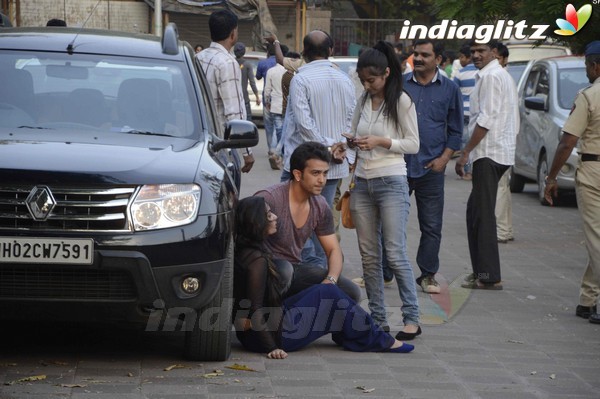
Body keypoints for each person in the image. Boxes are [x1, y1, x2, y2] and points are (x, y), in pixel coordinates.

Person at [233, 196, 414, 358]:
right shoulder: (257, 260)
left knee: (324, 290)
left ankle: (354, 335)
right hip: (269, 336)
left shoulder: (247, 251)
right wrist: (272, 348)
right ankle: (380, 339)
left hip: (262, 329)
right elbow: (255, 309)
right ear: (255, 221)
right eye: (268, 214)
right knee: (329, 293)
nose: (274, 217)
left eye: (271, 212)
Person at [346, 41, 421, 339]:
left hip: (391, 181)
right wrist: (348, 143)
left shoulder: (401, 101)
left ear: (387, 73)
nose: (367, 84)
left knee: (395, 253)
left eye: (372, 80)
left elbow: (414, 144)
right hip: (362, 183)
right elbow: (354, 133)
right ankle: (378, 318)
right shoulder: (363, 100)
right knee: (368, 256)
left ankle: (412, 318)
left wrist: (381, 142)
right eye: (363, 79)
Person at [279, 30, 356, 267]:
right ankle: (322, 275)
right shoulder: (345, 79)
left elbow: (304, 124)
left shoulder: (300, 79)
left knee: (298, 221)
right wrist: (339, 148)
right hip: (334, 164)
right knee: (321, 223)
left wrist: (327, 148)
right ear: (331, 51)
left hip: (305, 165)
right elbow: (351, 120)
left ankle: (312, 274)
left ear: (304, 52)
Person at [254, 142, 361, 304]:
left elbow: (333, 250)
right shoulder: (269, 199)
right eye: (316, 173)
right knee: (284, 270)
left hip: (295, 269)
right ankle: (267, 318)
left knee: (351, 292)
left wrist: (330, 281)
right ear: (298, 174)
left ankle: (298, 322)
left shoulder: (320, 205)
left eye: (325, 173)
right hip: (264, 271)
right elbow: (243, 248)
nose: (322, 180)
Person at [455, 40, 519, 290]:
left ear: (494, 53)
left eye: (481, 51)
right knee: (475, 212)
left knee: (482, 216)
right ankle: (482, 271)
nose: (476, 55)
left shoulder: (492, 77)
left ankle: (488, 276)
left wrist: (466, 152)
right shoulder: (496, 75)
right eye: (473, 52)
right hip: (496, 152)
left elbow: (487, 118)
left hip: (489, 153)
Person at [544, 41, 600, 324]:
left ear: (595, 65)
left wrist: (552, 177)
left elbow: (567, 142)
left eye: (587, 66)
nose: (586, 71)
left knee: (596, 238)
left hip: (593, 171)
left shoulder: (589, 96)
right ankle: (587, 300)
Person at [403, 39, 463, 294]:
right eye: (416, 54)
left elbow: (456, 129)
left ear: (438, 60)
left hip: (432, 168)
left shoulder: (450, 88)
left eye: (424, 55)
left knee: (431, 225)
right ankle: (383, 272)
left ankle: (427, 275)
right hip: (399, 166)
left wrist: (444, 158)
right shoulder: (400, 85)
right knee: (390, 222)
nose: (418, 58)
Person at [196, 10, 254, 173]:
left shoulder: (198, 57)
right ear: (233, 33)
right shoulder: (227, 63)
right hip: (222, 146)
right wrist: (247, 152)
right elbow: (234, 110)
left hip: (199, 140)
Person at [491, 42, 514, 244]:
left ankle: (501, 231)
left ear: (504, 59)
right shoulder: (501, 77)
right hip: (501, 142)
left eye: (497, 58)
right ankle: (505, 229)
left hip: (499, 143)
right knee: (503, 187)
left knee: (500, 187)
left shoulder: (500, 78)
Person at [453, 43, 478, 180]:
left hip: (463, 113)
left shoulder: (460, 73)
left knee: (465, 143)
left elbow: (453, 93)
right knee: (475, 142)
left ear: (468, 57)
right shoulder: (480, 72)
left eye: (462, 57)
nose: (460, 60)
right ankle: (475, 170)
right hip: (476, 113)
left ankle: (468, 171)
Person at [263, 47, 288, 170]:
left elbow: (267, 90)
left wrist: (267, 102)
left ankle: (277, 153)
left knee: (278, 129)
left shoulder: (271, 71)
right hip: (287, 105)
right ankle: (281, 155)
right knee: (286, 130)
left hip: (276, 105)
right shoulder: (290, 71)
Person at [233, 42, 261, 123]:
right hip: (244, 99)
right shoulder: (247, 65)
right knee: (247, 122)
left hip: (233, 99)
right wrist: (257, 97)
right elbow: (252, 82)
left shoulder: (231, 63)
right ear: (244, 52)